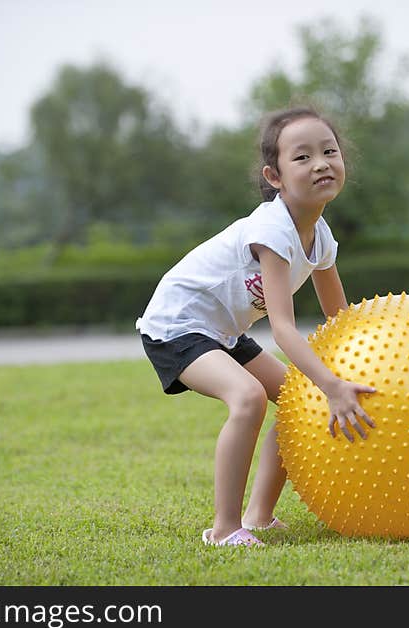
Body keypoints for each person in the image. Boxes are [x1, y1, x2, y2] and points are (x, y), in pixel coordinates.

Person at [136, 106, 376, 547]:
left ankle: (259, 516)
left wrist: (367, 366)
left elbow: (341, 320)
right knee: (247, 398)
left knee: (297, 404)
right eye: (302, 157)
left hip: (223, 330)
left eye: (329, 151)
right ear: (275, 176)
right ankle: (225, 529)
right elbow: (283, 330)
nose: (321, 163)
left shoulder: (320, 235)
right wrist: (330, 385)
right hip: (178, 324)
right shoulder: (273, 228)